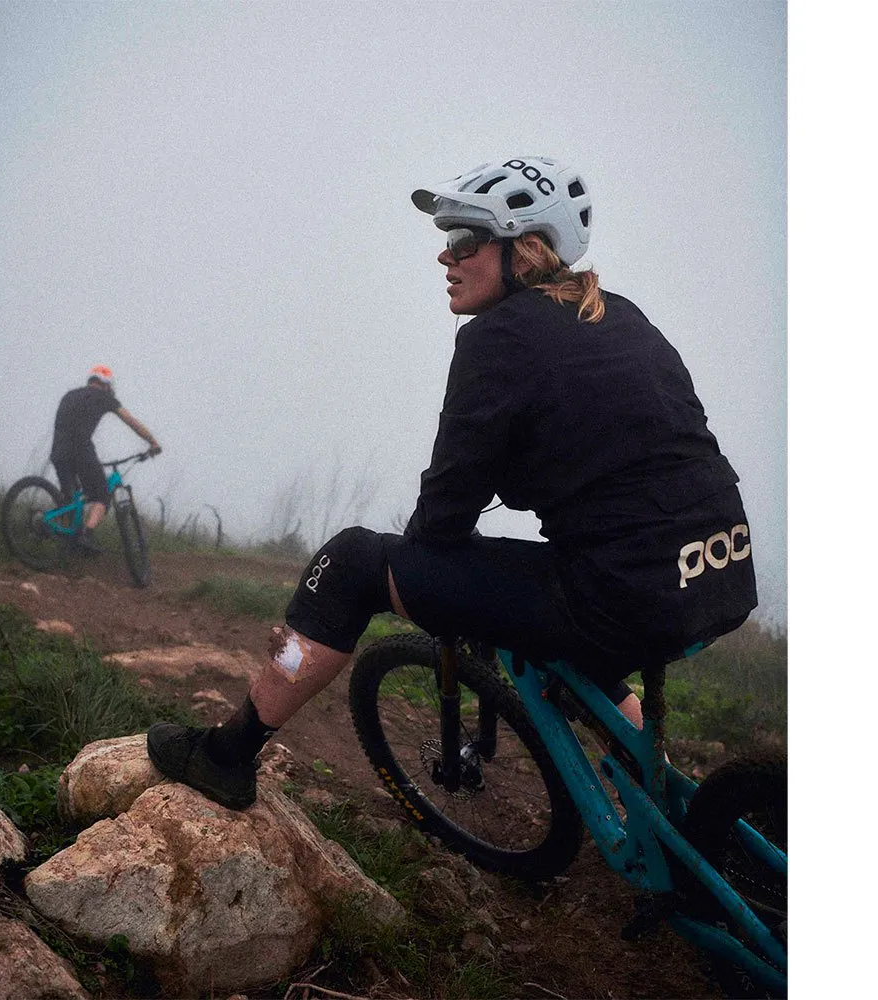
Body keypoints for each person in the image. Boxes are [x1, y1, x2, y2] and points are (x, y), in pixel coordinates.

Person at [147, 155, 757, 810]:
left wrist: (435, 563)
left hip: (624, 598)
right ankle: (666, 807)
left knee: (351, 562)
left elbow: (445, 512)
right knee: (571, 617)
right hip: (718, 575)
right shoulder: (619, 315)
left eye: (465, 240)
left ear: (525, 250)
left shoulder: (498, 338)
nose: (446, 256)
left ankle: (226, 756)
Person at [49, 365, 162, 553]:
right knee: (101, 494)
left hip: (58, 451)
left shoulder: (70, 395)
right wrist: (153, 442)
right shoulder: (104, 397)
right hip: (80, 450)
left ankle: (69, 542)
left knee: (72, 498)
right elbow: (131, 421)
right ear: (106, 384)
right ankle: (86, 535)